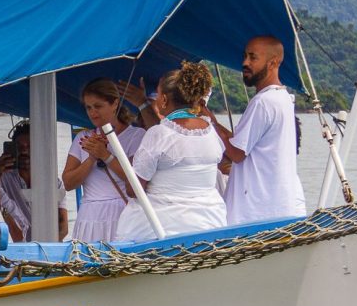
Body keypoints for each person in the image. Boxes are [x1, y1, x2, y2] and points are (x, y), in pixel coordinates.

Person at [115, 62, 227, 241]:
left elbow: (133, 190)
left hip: (164, 228)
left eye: (158, 94)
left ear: (164, 99)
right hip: (210, 222)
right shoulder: (211, 131)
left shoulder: (159, 134)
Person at [205, 35, 307, 225]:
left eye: (253, 57)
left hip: (260, 214)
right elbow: (240, 143)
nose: (245, 63)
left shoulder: (263, 102)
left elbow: (236, 153)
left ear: (273, 63)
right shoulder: (283, 98)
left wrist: (209, 122)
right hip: (283, 208)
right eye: (245, 56)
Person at [61, 78, 147, 241]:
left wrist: (106, 156)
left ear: (115, 104)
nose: (93, 112)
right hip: (90, 216)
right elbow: (68, 183)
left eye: (98, 106)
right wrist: (91, 158)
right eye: (88, 107)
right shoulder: (83, 138)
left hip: (122, 212)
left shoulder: (137, 136)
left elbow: (135, 180)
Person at [0, 121, 71, 241]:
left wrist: (46, 249)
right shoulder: (2, 180)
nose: (24, 151)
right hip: (16, 246)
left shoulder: (54, 183)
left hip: (49, 248)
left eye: (29, 147)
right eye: (20, 147)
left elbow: (63, 228)